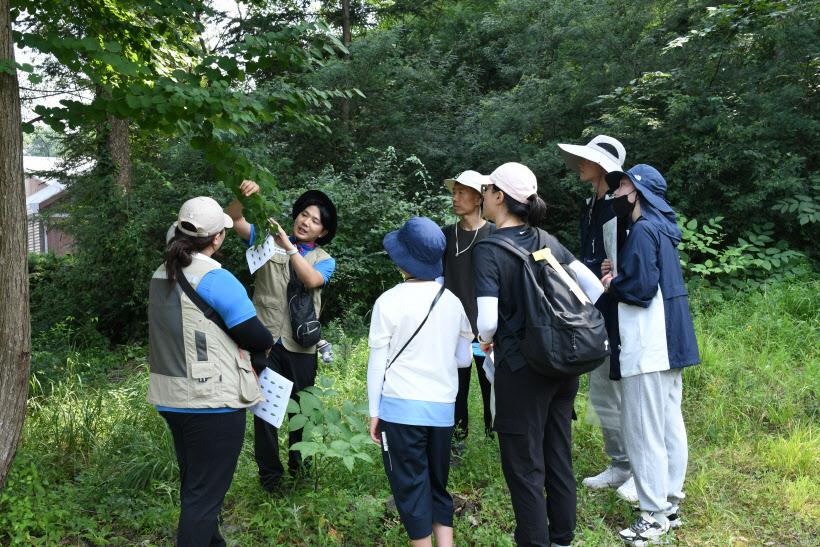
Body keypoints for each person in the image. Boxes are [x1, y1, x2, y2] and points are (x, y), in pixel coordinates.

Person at [472, 163, 602, 547]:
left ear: (499, 196)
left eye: (487, 189)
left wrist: (485, 339)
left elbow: (487, 320)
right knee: (557, 454)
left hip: (524, 368)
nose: (483, 196)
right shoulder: (546, 238)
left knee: (524, 464)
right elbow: (593, 287)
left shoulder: (489, 249)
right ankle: (562, 538)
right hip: (564, 363)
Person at [147, 196, 274, 546]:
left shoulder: (162, 273)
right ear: (217, 238)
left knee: (198, 491)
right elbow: (255, 334)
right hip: (210, 402)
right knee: (203, 501)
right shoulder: (215, 278)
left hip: (172, 399)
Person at [600, 165, 700, 545]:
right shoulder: (662, 229)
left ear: (638, 191)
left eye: (622, 185)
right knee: (669, 425)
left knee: (642, 430)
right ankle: (670, 506)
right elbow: (650, 280)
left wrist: (611, 282)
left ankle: (653, 515)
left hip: (648, 346)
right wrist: (620, 272)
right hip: (671, 344)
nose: (616, 192)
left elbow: (640, 290)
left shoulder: (642, 229)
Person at [367, 217, 474, 547]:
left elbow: (377, 364)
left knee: (411, 490)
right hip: (442, 411)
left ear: (401, 262)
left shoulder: (388, 301)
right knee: (436, 486)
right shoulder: (452, 301)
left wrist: (374, 412)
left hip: (400, 411)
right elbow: (465, 359)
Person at [226, 181, 337, 493]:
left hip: (303, 347)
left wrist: (289, 248)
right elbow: (233, 220)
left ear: (322, 232)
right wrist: (242, 197)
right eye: (304, 214)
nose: (306, 222)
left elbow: (312, 279)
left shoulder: (324, 259)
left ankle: (300, 476)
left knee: (301, 415)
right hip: (267, 343)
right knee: (266, 416)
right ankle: (271, 483)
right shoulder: (266, 240)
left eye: (315, 220)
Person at [557, 135, 637, 502]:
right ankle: (619, 463)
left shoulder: (620, 206)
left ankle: (640, 468)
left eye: (587, 159)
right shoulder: (590, 205)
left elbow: (626, 262)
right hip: (594, 310)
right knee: (602, 386)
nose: (579, 164)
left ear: (606, 167)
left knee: (626, 391)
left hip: (621, 310)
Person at [441, 170, 495, 449]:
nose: (455, 197)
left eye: (462, 192)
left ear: (478, 198)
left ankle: (494, 441)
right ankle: (456, 443)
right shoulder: (445, 236)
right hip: (454, 328)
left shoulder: (495, 234)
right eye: (454, 192)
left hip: (488, 329)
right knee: (456, 388)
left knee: (492, 386)